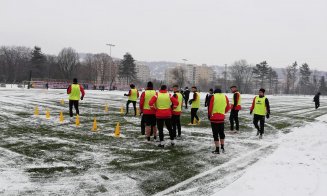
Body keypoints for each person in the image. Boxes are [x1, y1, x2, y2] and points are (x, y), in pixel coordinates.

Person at [208, 88, 230, 154]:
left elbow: (210, 107)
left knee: (215, 134)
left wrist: (209, 115)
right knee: (221, 133)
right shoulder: (225, 96)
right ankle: (222, 147)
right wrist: (223, 112)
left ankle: (217, 149)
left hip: (214, 118)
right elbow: (228, 107)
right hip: (221, 118)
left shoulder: (213, 96)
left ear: (215, 92)